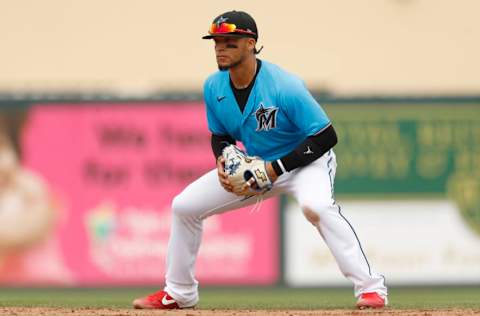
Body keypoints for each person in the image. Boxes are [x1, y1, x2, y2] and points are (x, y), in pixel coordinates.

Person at [133, 10, 387, 310]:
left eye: (230, 42)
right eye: (216, 42)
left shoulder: (284, 86)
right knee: (184, 207)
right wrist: (224, 159)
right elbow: (221, 135)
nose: (220, 48)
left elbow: (326, 137)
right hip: (255, 165)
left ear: (251, 43)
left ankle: (371, 288)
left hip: (306, 162)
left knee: (315, 206)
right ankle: (179, 292)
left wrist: (276, 168)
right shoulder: (214, 87)